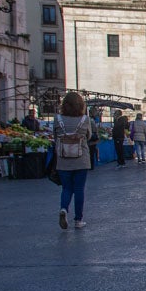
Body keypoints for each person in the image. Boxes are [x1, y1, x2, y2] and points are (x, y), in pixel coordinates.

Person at [53, 91, 93, 229]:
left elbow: (55, 136)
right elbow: (89, 136)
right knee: (79, 189)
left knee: (67, 188)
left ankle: (64, 209)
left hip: (63, 159)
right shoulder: (85, 119)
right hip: (81, 159)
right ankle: (78, 220)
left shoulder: (57, 119)